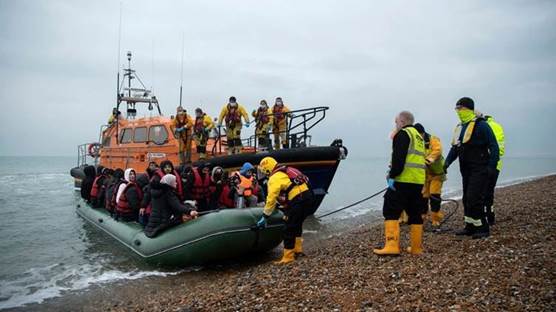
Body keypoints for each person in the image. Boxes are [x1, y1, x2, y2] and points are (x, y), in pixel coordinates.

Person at [444, 97, 499, 239]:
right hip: (466, 169)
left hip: (480, 168)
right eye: (456, 109)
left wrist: (492, 167)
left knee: (474, 197)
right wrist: (446, 164)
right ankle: (470, 226)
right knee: (466, 199)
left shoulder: (481, 125)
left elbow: (494, 146)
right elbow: (455, 149)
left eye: (460, 108)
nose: (458, 111)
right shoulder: (460, 128)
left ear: (468, 109)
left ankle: (482, 228)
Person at [374, 111, 426, 256]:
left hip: (403, 180)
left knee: (390, 209)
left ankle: (391, 246)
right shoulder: (418, 137)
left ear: (402, 122)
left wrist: (392, 175)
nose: (395, 125)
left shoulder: (403, 134)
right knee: (415, 212)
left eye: (396, 122)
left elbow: (399, 158)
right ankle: (416, 248)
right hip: (417, 181)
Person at [256, 157, 314, 264]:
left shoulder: (274, 178)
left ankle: (288, 256)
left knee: (288, 227)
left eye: (263, 170)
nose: (264, 173)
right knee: (297, 224)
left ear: (267, 169)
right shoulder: (288, 170)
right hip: (308, 197)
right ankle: (297, 250)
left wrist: (265, 216)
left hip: (298, 199)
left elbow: (271, 198)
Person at [144, 174, 199, 238]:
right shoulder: (168, 193)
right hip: (162, 222)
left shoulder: (156, 192)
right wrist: (190, 211)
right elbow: (177, 206)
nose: (176, 183)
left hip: (153, 222)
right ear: (170, 183)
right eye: (174, 181)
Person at [414, 123, 446, 227]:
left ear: (422, 133)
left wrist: (428, 160)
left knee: (434, 195)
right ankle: (423, 216)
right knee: (423, 196)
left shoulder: (433, 139)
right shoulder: (416, 142)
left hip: (437, 173)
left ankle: (436, 219)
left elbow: (437, 151)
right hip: (424, 175)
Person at [482, 114, 505, 225]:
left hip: (487, 164)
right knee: (489, 192)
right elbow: (500, 148)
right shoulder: (498, 126)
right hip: (497, 165)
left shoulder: (484, 127)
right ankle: (490, 216)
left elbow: (491, 147)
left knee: (483, 192)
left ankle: (485, 217)